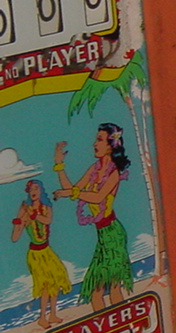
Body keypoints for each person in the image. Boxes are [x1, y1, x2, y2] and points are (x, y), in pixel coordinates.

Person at [52, 124, 132, 311]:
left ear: (111, 145)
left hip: (113, 234)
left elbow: (97, 197)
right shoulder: (94, 168)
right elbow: (73, 189)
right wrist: (59, 165)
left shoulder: (113, 172)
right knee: (96, 292)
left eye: (99, 140)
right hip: (102, 235)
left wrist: (69, 193)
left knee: (114, 289)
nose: (95, 144)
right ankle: (108, 327)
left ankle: (126, 324)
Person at [11, 179, 71, 327]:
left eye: (36, 188)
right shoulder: (26, 209)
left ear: (41, 191)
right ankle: (42, 317)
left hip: (47, 251)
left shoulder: (46, 207)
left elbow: (47, 220)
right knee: (45, 286)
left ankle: (53, 315)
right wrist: (19, 222)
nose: (33, 192)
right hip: (36, 254)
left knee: (56, 280)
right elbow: (15, 237)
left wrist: (34, 215)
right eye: (31, 189)